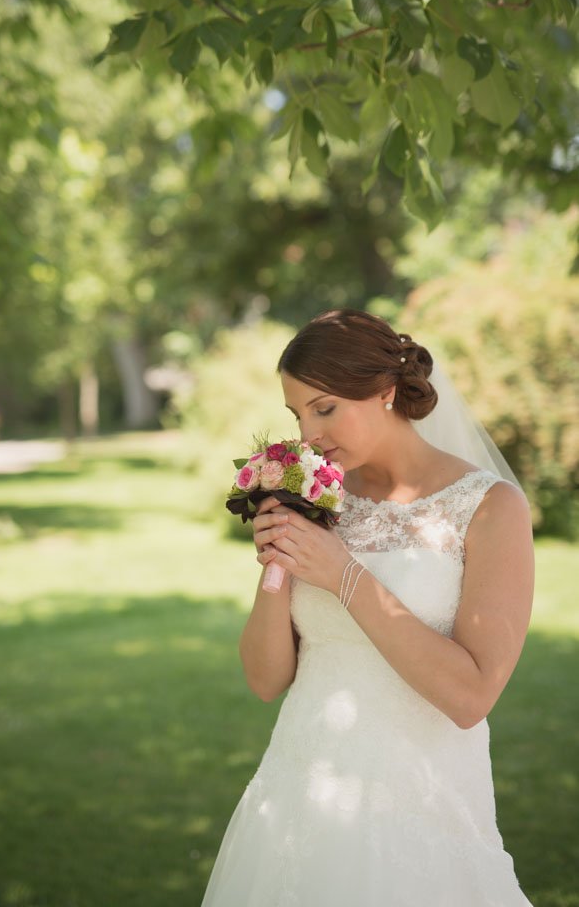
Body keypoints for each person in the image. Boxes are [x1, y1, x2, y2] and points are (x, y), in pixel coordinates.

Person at [200, 308, 535, 906]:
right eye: (298, 414)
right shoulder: (318, 499)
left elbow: (471, 696)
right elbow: (264, 678)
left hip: (425, 806)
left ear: (385, 391)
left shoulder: (489, 507)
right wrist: (276, 565)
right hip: (301, 797)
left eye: (324, 408)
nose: (309, 434)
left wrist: (343, 575)